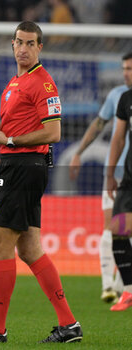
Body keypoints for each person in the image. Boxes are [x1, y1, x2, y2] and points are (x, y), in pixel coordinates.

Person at [0, 21, 83, 344]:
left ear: (40, 48)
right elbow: (14, 125)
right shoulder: (14, 83)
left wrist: (12, 139)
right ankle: (69, 325)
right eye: (19, 42)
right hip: (18, 165)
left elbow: (54, 132)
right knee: (30, 249)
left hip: (23, 166)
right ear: (12, 44)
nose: (23, 48)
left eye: (30, 43)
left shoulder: (44, 83)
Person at [69, 52, 132, 303]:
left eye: (130, 68)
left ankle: (122, 287)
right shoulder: (119, 96)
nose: (126, 72)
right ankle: (109, 286)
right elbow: (99, 125)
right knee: (113, 228)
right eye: (124, 68)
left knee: (124, 232)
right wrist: (79, 152)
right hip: (119, 172)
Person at [106, 84, 132, 311]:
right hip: (129, 179)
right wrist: (110, 173)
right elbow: (119, 138)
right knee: (118, 229)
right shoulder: (126, 98)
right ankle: (129, 290)